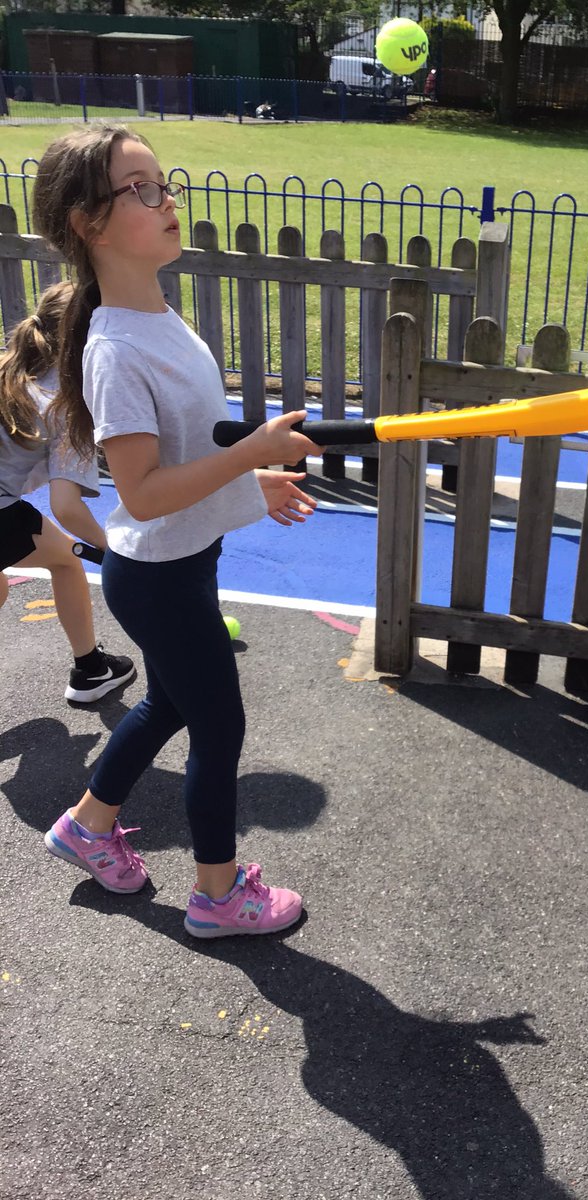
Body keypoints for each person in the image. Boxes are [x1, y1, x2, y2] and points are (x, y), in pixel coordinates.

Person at [32, 124, 321, 936]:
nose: (169, 201)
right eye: (143, 189)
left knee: (168, 703)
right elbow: (146, 494)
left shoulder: (158, 316)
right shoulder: (117, 350)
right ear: (88, 223)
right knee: (218, 725)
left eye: (167, 183)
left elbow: (189, 460)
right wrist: (250, 458)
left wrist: (251, 477)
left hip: (180, 563)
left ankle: (85, 828)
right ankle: (219, 897)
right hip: (157, 575)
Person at [0, 281, 136, 704]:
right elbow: (67, 508)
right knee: (65, 562)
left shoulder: (8, 368)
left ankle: (92, 669)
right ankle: (91, 671)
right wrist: (117, 555)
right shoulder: (68, 405)